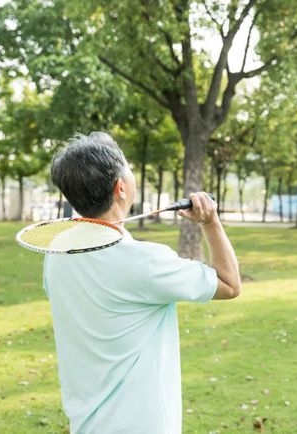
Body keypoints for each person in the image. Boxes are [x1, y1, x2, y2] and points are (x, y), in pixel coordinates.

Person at [44, 132, 241, 434]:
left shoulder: (57, 253)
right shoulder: (145, 262)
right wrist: (211, 222)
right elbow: (229, 284)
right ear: (120, 188)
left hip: (86, 425)